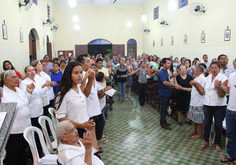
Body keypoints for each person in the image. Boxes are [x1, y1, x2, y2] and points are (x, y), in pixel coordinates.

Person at [191, 61, 228, 152]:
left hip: (219, 105)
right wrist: (196, 86)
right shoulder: (207, 78)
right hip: (207, 104)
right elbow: (203, 92)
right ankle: (206, 141)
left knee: (218, 125)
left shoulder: (223, 78)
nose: (214, 69)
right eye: (212, 68)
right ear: (209, 69)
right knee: (207, 123)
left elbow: (222, 95)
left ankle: (217, 143)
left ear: (219, 69)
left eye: (216, 67)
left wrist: (218, 86)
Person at [1, 70, 34, 165]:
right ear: (5, 80)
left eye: (16, 77)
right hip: (13, 130)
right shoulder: (3, 94)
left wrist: (29, 93)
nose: (16, 79)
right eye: (13, 77)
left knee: (22, 153)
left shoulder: (18, 90)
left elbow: (26, 104)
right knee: (13, 155)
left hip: (25, 126)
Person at [55, 61, 95, 138]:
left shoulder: (78, 88)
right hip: (73, 131)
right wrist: (81, 125)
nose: (79, 75)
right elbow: (61, 118)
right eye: (76, 73)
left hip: (85, 127)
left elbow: (85, 96)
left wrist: (90, 80)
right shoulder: (63, 94)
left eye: (81, 72)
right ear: (69, 75)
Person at [20, 65, 51, 156]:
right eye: (29, 71)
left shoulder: (35, 81)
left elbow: (39, 93)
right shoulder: (24, 83)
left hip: (39, 111)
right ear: (25, 73)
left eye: (33, 70)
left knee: (39, 133)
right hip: (32, 112)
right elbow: (24, 98)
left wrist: (47, 86)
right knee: (34, 134)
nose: (32, 72)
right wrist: (28, 92)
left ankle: (40, 150)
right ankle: (34, 153)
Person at [158, 58, 180, 130]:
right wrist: (174, 85)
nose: (169, 64)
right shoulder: (161, 72)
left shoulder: (166, 71)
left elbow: (167, 79)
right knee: (163, 108)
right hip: (164, 93)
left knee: (165, 107)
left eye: (169, 63)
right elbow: (164, 82)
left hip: (167, 92)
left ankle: (164, 121)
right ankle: (163, 123)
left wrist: (172, 76)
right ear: (163, 64)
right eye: (167, 63)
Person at [220, 70, 236, 164]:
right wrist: (221, 85)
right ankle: (231, 155)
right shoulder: (232, 75)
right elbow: (229, 91)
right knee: (230, 134)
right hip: (230, 109)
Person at [187, 65, 205, 139]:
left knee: (199, 118)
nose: (193, 71)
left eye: (194, 70)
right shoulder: (196, 78)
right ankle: (194, 130)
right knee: (194, 117)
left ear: (198, 71)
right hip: (194, 101)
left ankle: (200, 133)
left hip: (199, 101)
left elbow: (202, 91)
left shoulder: (203, 79)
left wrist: (196, 85)